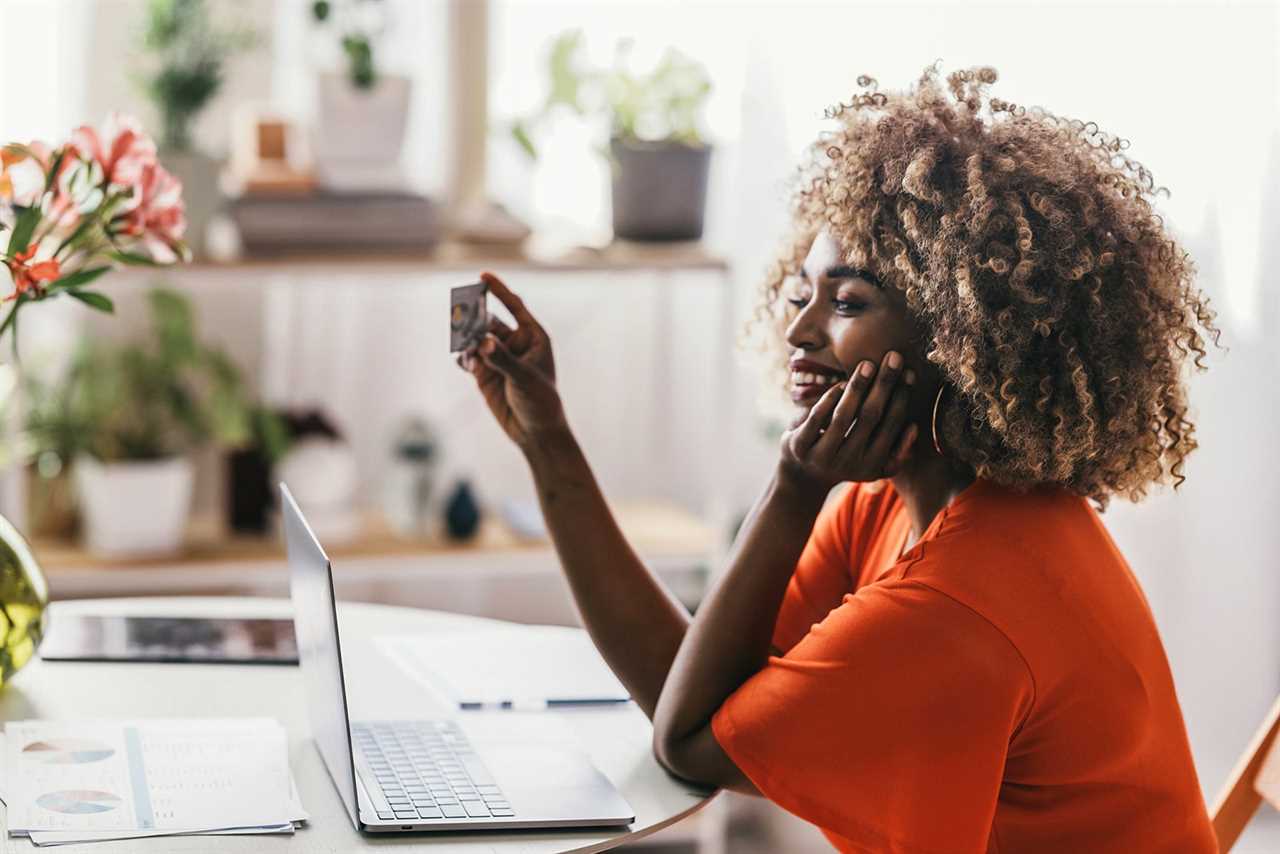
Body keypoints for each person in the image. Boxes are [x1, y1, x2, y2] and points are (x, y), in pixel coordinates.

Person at [457, 62, 1221, 853]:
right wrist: (550, 443)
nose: (798, 331)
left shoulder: (953, 603)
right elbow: (697, 686)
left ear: (963, 342)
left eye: (849, 302)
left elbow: (688, 740)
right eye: (802, 292)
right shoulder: (895, 505)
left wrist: (793, 488)